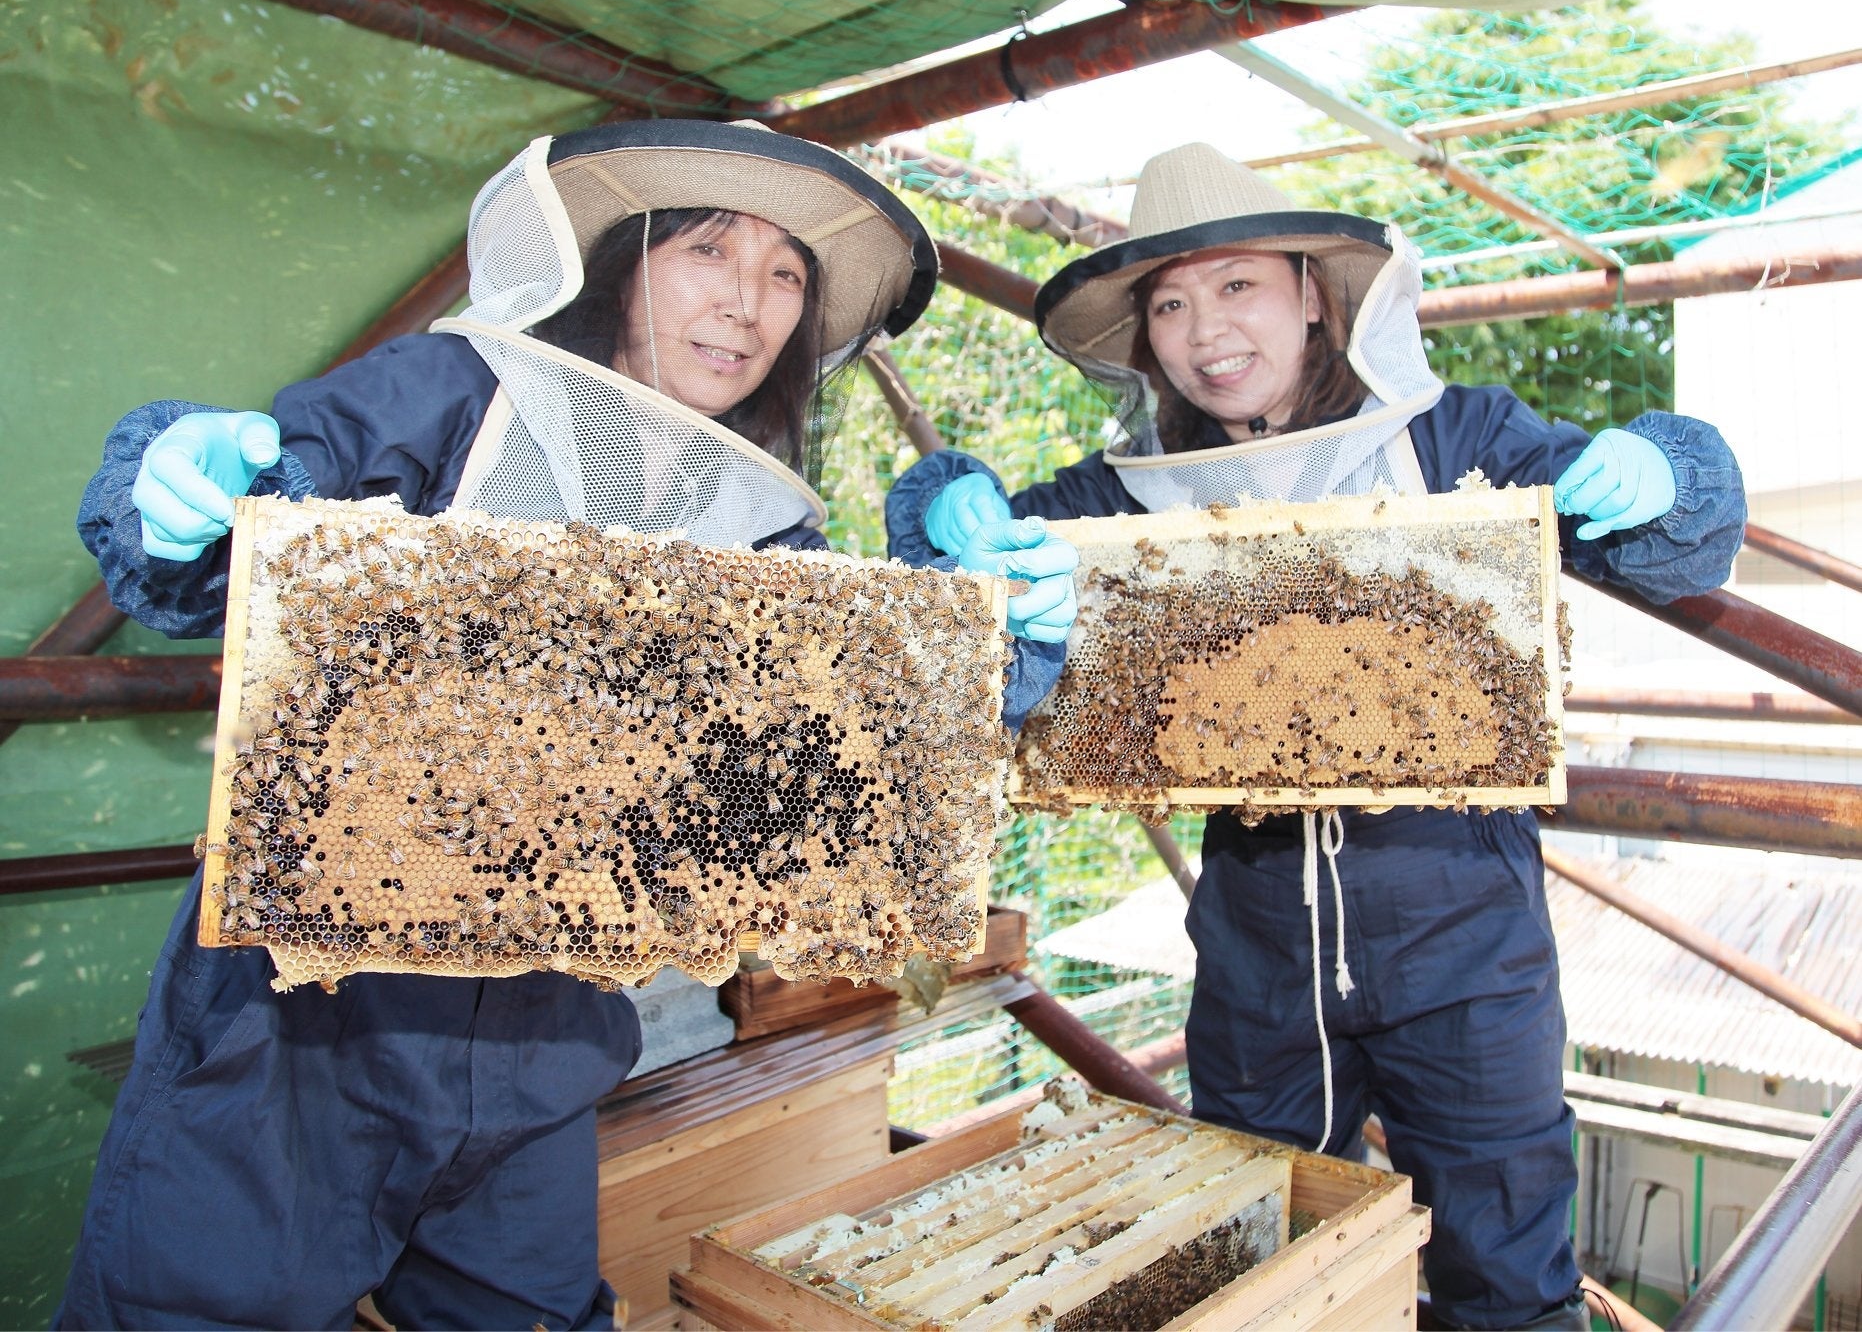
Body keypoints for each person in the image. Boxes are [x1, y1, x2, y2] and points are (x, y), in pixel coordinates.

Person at [61, 119, 1075, 1329]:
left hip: (545, 1042)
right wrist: (179, 490)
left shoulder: (760, 526)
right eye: (708, 250)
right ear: (618, 262)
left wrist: (997, 630)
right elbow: (242, 535)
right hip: (295, 1030)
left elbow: (858, 757)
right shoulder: (452, 396)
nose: (747, 302)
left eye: (785, 274)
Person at [887, 143, 1746, 1332]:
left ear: (1310, 294)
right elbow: (943, 591)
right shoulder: (1124, 495)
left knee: (1505, 1272)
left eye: (1236, 284)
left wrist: (1670, 471)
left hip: (1466, 948)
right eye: (1169, 304)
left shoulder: (1453, 441)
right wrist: (942, 505)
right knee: (1262, 1269)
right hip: (1254, 957)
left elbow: (1678, 543)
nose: (1204, 329)